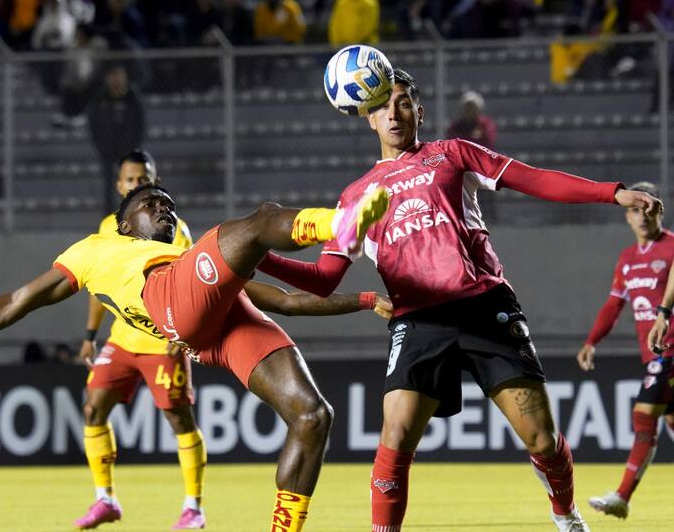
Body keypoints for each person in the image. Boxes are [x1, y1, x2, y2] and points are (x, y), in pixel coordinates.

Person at [254, 68, 662, 532]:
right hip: (418, 320)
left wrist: (613, 193)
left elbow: (534, 179)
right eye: (383, 105)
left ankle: (565, 515)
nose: (394, 112)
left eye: (403, 102)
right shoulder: (355, 198)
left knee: (542, 439)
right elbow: (325, 279)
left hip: (484, 307)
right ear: (367, 117)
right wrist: (256, 255)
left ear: (419, 112)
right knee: (394, 438)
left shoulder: (452, 154)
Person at [0, 184, 392, 532]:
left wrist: (366, 300)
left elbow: (284, 300)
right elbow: (14, 303)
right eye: (152, 205)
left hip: (214, 326)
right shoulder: (95, 251)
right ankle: (340, 223)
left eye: (169, 206)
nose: (165, 211)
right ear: (125, 223)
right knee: (259, 218)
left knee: (312, 416)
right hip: (172, 303)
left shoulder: (182, 255)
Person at [75, 149, 204, 530]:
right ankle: (105, 499)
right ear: (119, 185)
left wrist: (182, 334)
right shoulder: (106, 228)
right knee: (93, 409)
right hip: (121, 339)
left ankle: (193, 507)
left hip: (161, 340)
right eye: (131, 179)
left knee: (179, 420)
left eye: (144, 178)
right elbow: (98, 284)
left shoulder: (173, 227)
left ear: (154, 179)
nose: (138, 184)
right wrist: (89, 335)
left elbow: (189, 283)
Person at [576, 181, 674, 520]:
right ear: (627, 217)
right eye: (634, 209)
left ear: (658, 210)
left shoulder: (673, 248)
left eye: (647, 208)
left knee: (644, 417)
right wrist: (592, 341)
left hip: (670, 351)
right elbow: (614, 304)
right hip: (654, 354)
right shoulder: (628, 259)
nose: (641, 215)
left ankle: (622, 496)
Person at [86, 63, 145, 212]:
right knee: (109, 190)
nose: (116, 79)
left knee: (132, 190)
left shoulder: (133, 99)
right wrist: (103, 147)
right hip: (107, 152)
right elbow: (94, 126)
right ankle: (109, 223)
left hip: (130, 153)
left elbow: (140, 127)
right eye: (112, 75)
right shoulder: (100, 100)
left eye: (119, 74)